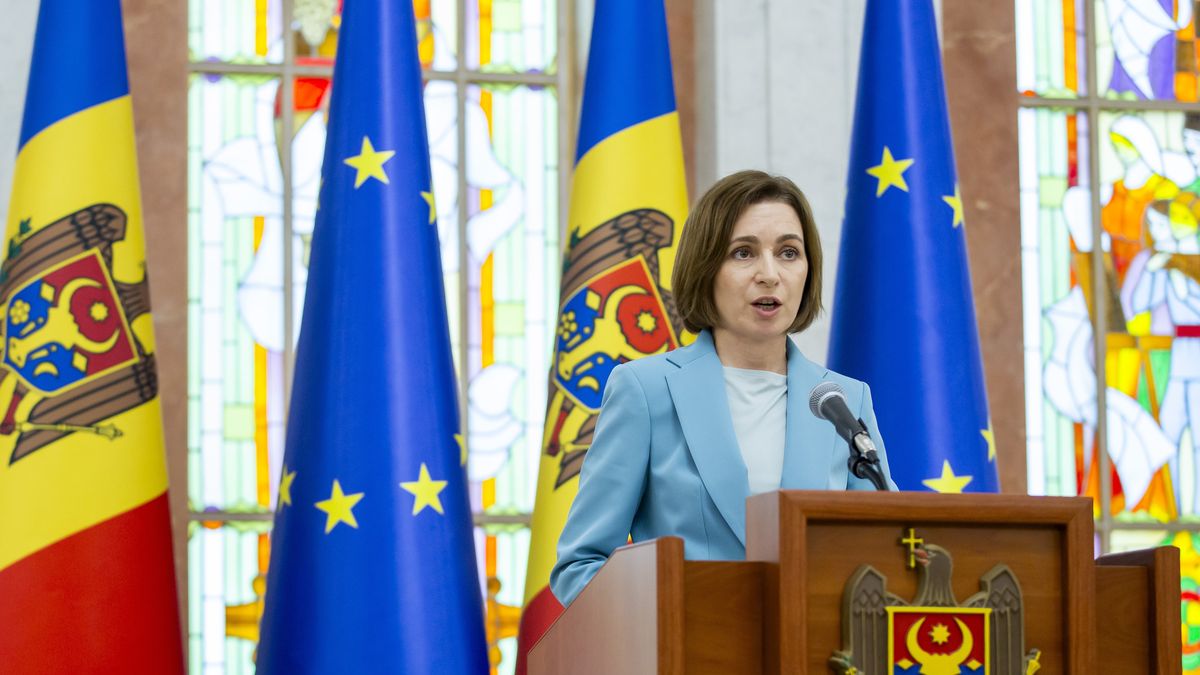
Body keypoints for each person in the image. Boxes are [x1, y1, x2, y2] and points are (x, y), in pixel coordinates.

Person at [550, 170, 897, 607]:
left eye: (789, 252)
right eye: (743, 253)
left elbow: (883, 554)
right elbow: (581, 565)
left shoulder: (842, 401)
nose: (769, 274)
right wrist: (665, 624)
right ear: (705, 267)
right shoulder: (645, 390)